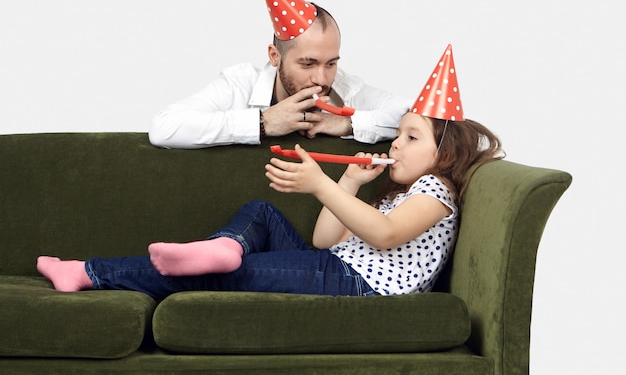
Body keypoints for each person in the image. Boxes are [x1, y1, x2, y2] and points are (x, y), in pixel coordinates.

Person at [37, 45, 504, 300]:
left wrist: (320, 182)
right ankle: (225, 247)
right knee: (261, 210)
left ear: (445, 155)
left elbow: (382, 237)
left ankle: (88, 273)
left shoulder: (435, 189)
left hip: (357, 284)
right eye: (398, 134)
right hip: (339, 266)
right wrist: (349, 183)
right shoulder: (403, 190)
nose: (395, 144)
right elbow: (326, 241)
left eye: (410, 138)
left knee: (230, 279)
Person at [148, 0, 408, 149]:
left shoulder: (344, 88)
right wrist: (263, 123)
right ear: (275, 56)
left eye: (331, 63)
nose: (321, 78)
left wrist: (346, 124)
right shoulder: (239, 83)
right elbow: (164, 127)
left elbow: (418, 115)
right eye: (308, 64)